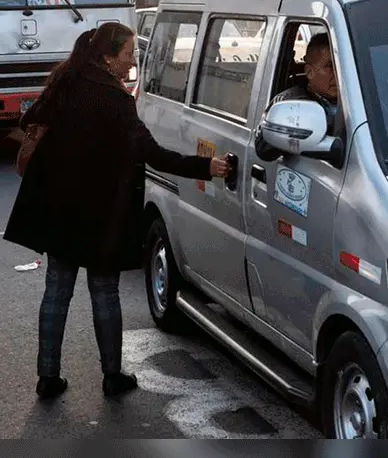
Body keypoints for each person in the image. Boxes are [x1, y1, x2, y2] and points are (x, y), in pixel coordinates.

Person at [4, 23, 230, 400]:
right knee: (104, 291)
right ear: (108, 57)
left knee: (57, 292)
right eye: (127, 55)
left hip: (60, 210)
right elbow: (152, 153)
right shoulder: (114, 99)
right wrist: (206, 167)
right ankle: (112, 375)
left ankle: (47, 377)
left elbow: (30, 121)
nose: (131, 64)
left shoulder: (67, 81)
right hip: (101, 214)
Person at [254, 33, 340, 159]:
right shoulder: (289, 103)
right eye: (331, 66)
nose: (338, 74)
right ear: (309, 72)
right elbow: (264, 149)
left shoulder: (363, 98)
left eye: (341, 67)